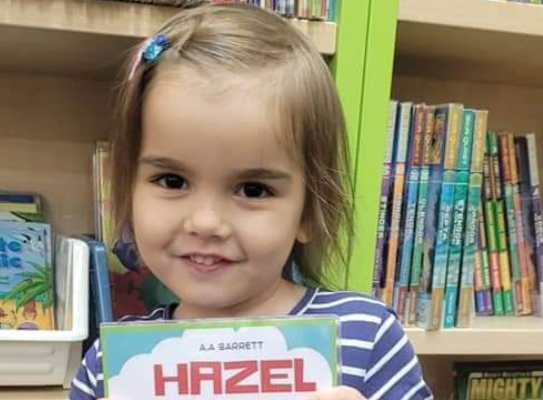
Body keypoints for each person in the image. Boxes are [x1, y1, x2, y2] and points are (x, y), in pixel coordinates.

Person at [70, 3, 433, 400]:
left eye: (253, 189)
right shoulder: (111, 366)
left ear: (309, 210)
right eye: (172, 181)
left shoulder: (367, 335)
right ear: (128, 191)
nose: (206, 222)